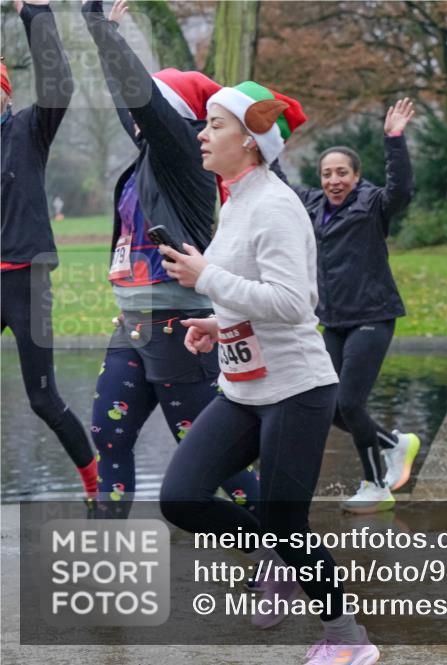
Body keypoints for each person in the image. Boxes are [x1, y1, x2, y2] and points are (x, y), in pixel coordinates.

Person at [157, 80, 379, 665]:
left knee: (287, 521)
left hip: (298, 390)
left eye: (216, 125)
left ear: (252, 142)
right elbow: (250, 294)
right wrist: (217, 320)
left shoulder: (277, 204)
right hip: (244, 388)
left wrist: (206, 278)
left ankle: (347, 639)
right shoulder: (235, 200)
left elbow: (293, 302)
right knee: (181, 498)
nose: (203, 134)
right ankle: (270, 556)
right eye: (205, 124)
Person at [81, 0, 258, 514]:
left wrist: (100, 29)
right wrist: (104, 30)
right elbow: (129, 102)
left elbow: (140, 101)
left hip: (178, 324)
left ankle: (280, 549)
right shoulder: (148, 157)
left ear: (176, 116)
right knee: (108, 433)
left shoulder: (183, 157)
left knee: (212, 459)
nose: (134, 117)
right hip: (133, 322)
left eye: (150, 108)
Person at [276, 99, 420, 515]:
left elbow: (402, 190)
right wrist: (265, 143)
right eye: (327, 174)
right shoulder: (313, 206)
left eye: (342, 173)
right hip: (333, 320)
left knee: (351, 403)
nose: (334, 180)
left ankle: (376, 483)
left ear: (356, 176)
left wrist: (394, 140)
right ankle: (395, 443)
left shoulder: (372, 204)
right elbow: (279, 184)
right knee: (328, 405)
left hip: (372, 316)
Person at [1, 0, 97, 499]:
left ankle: (94, 484)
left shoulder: (27, 131)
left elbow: (59, 84)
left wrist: (34, 13)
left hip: (26, 281)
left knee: (42, 398)